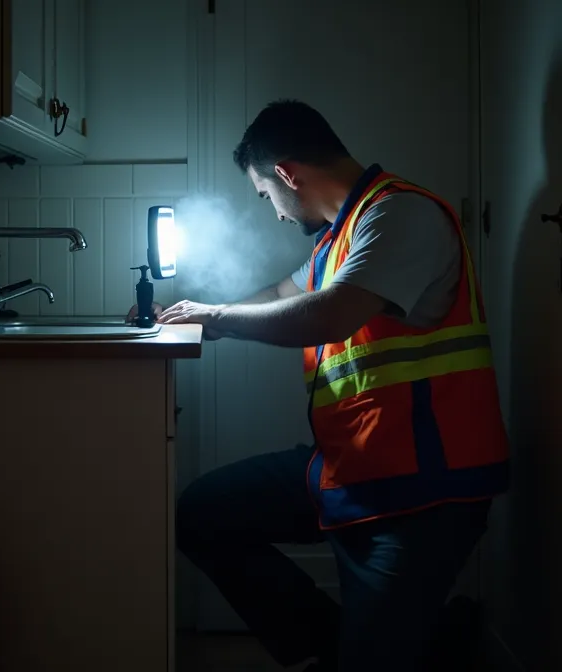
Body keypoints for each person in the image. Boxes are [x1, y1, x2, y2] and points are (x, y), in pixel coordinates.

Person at [133, 100, 511, 671]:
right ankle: (363, 646)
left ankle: (405, 646)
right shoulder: (342, 238)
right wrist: (201, 318)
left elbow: (328, 315)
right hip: (355, 469)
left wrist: (218, 318)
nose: (277, 214)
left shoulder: (400, 216)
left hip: (423, 493)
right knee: (202, 515)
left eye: (266, 197)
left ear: (287, 174)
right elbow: (288, 297)